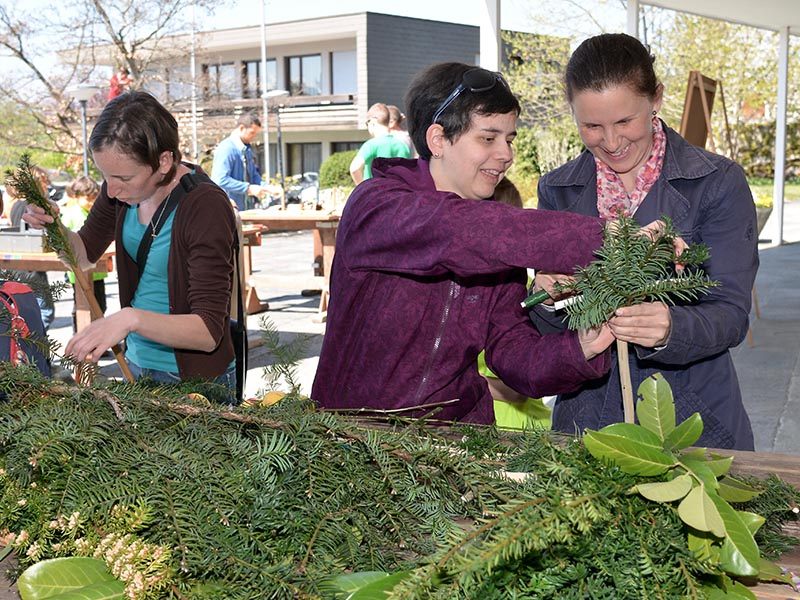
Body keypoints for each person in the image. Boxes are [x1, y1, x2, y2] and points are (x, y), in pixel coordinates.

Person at [312, 62, 617, 424]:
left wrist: (581, 348)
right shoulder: (377, 204)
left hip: (459, 446)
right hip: (355, 441)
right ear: (438, 139)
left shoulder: (496, 244)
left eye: (509, 139)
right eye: (488, 138)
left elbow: (514, 354)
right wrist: (610, 238)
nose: (506, 154)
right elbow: (458, 232)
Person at [530, 33, 758, 450]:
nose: (612, 142)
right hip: (588, 422)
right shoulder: (558, 190)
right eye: (592, 126)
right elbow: (551, 330)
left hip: (692, 418)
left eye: (624, 122)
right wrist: (546, 300)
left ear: (656, 99)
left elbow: (731, 313)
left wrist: (673, 327)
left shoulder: (716, 183)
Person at [23, 91, 239, 400]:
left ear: (163, 161)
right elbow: (82, 254)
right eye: (104, 175)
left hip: (195, 381)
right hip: (138, 364)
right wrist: (53, 225)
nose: (111, 188)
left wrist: (129, 319)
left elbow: (207, 333)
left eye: (123, 176)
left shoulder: (204, 206)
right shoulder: (119, 191)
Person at [5, 166, 56, 331]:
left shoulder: (15, 205)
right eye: (43, 183)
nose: (47, 186)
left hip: (21, 265)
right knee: (44, 311)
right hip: (31, 267)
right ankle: (37, 345)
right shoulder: (30, 206)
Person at [60, 176, 108, 332]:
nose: (92, 202)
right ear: (78, 196)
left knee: (100, 306)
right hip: (80, 271)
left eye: (95, 198)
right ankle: (80, 336)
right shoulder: (71, 214)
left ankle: (96, 340)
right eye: (88, 198)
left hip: (96, 272)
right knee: (82, 308)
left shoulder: (93, 212)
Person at [211, 112, 267, 211]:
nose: (254, 137)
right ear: (241, 128)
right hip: (228, 209)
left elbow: (253, 176)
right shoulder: (226, 148)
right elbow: (219, 179)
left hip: (245, 209)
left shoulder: (247, 150)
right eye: (252, 133)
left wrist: (266, 187)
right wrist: (247, 188)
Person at [349, 103, 412, 184]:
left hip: (375, 193)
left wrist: (361, 187)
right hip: (397, 193)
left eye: (367, 123)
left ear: (372, 121)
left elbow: (354, 168)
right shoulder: (402, 146)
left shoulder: (371, 145)